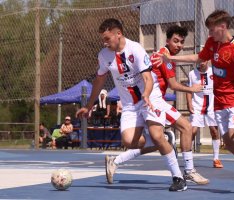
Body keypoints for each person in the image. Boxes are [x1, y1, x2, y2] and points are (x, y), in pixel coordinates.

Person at [152, 10, 234, 195]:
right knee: (230, 144)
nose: (209, 34)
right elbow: (198, 58)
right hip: (219, 102)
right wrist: (170, 58)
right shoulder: (213, 43)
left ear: (222, 27)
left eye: (212, 30)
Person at [76, 18, 186, 191]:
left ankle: (178, 178)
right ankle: (165, 140)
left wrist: (147, 95)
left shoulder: (135, 49)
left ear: (118, 34)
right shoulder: (104, 55)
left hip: (150, 98)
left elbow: (148, 78)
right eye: (102, 40)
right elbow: (99, 80)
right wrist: (89, 106)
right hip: (129, 105)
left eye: (107, 39)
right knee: (129, 141)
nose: (104, 43)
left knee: (157, 135)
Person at [104, 25, 209, 186]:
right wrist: (192, 89)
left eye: (181, 42)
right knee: (183, 129)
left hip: (149, 99)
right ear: (167, 40)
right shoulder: (164, 57)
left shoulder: (162, 55)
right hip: (153, 100)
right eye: (175, 41)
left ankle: (116, 161)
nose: (179, 45)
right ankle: (188, 172)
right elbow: (173, 85)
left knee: (158, 141)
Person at [186, 61, 223, 168]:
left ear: (207, 61)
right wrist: (189, 103)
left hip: (211, 106)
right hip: (197, 106)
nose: (201, 63)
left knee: (214, 131)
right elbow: (188, 90)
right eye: (199, 61)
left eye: (203, 61)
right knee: (192, 131)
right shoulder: (192, 74)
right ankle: (189, 158)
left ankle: (216, 158)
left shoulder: (214, 71)